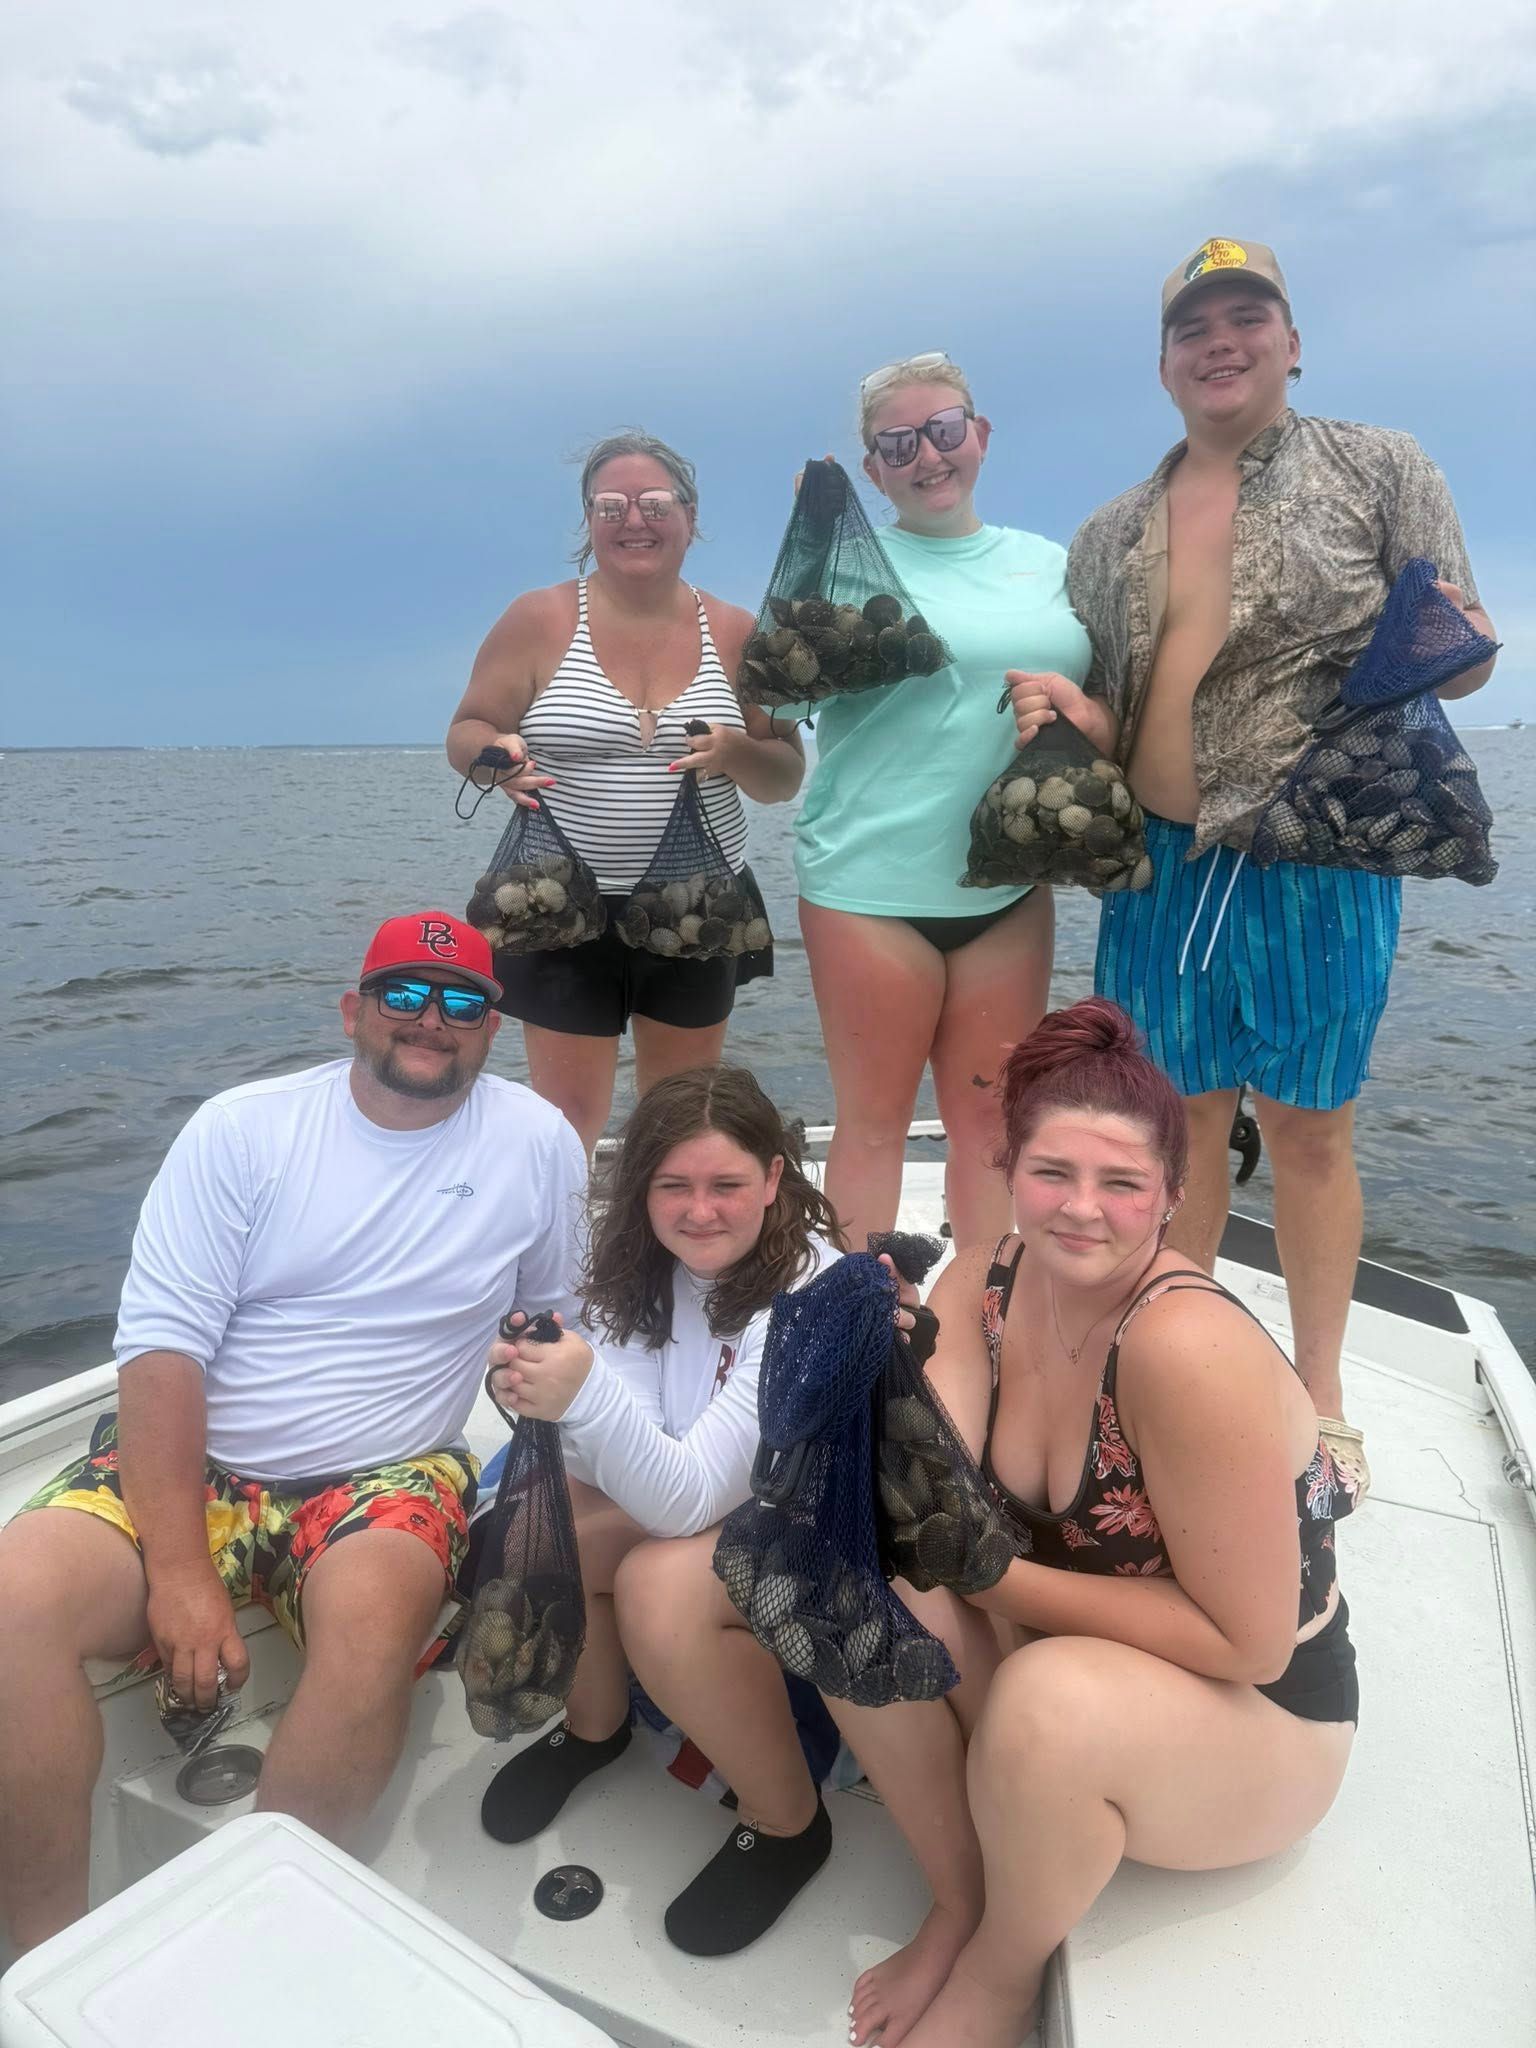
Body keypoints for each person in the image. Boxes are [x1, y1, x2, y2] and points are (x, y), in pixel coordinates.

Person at [0, 912, 586, 1953]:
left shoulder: (537, 1141)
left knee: (370, 1619)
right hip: (193, 1460)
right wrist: (179, 1570)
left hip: (388, 1474)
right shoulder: (244, 1128)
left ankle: (251, 1945)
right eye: (405, 994)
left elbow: (555, 1318)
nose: (431, 1021)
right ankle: (45, 1959)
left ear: (493, 1027)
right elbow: (164, 1353)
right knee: (12, 1598)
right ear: (353, 1010)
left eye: (462, 1003)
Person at [829, 998, 1359, 2048]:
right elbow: (930, 1492)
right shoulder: (984, 1277)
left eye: (1122, 1184)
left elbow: (1248, 1643)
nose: (1082, 1209)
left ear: (1173, 1195)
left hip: (1262, 1714)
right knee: (857, 1590)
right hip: (1081, 1638)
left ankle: (999, 1970)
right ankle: (963, 1889)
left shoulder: (1184, 1349)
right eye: (1053, 1174)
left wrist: (1000, 1587)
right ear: (1005, 1164)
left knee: (1043, 1700)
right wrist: (876, 1365)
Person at [1050, 237, 1498, 1466]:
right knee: (1172, 1123)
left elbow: (1466, 649)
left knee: (1311, 1126)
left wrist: (1453, 641)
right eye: (1195, 328)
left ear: (1291, 342)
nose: (1222, 342)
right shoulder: (1110, 529)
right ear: (1164, 365)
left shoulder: (1380, 465)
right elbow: (1111, 696)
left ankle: (1319, 1391)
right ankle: (1168, 1370)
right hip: (1158, 864)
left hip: (1318, 864)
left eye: (1248, 317)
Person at [477, 1065, 847, 1956]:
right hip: (708, 1501)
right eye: (672, 1185)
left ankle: (788, 1819)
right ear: (641, 1188)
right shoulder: (647, 1274)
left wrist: (583, 1397)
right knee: (526, 1526)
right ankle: (595, 1728)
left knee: (651, 1584)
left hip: (815, 1529)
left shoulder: (809, 1297)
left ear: (773, 1178)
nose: (699, 1210)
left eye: (726, 1185)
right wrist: (540, 1395)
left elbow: (680, 1495)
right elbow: (627, 1452)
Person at [792, 355, 1092, 1251]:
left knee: (995, 1127)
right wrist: (803, 561)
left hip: (1006, 888)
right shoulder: (841, 568)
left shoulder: (1052, 566)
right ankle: (856, 1334)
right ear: (872, 467)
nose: (928, 455)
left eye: (945, 429)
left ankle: (984, 1320)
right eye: (897, 442)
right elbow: (768, 701)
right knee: (873, 1123)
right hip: (868, 887)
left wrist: (1079, 709)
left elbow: (1115, 703)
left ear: (981, 436)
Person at [446, 431, 806, 1155]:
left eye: (654, 503)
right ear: (588, 520)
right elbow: (467, 731)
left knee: (678, 1115)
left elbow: (783, 777)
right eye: (610, 505)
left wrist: (736, 749)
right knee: (566, 1117)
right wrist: (498, 760)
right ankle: (556, 1259)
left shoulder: (738, 633)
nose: (633, 520)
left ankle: (660, 1259)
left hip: (697, 902)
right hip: (558, 902)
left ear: (691, 516)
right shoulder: (538, 619)